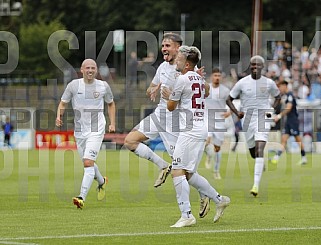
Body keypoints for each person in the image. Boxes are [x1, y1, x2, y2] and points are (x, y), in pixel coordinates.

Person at [167, 45, 230, 228]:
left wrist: (167, 96)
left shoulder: (183, 79)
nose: (176, 61)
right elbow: (207, 92)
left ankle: (186, 215)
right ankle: (219, 199)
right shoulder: (200, 79)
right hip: (199, 128)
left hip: (190, 130)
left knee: (177, 170)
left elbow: (171, 106)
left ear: (187, 64)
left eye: (178, 59)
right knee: (188, 173)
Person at [124, 33, 183, 188]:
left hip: (175, 120)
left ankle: (209, 195)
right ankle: (163, 165)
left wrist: (174, 96)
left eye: (168, 45)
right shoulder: (162, 67)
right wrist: (153, 89)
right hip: (159, 115)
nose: (164, 48)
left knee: (182, 169)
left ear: (178, 47)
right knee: (130, 141)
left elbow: (201, 92)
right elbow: (150, 87)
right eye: (163, 46)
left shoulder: (187, 67)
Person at [55, 58, 116, 209]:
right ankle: (102, 181)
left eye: (93, 68)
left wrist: (112, 122)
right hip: (80, 131)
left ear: (96, 70)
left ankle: (81, 197)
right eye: (87, 68)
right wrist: (59, 116)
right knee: (87, 162)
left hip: (97, 129)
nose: (90, 70)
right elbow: (63, 103)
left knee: (88, 162)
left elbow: (111, 103)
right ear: (81, 70)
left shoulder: (103, 86)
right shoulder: (74, 86)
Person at [226, 55, 281, 197]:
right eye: (253, 65)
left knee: (260, 148)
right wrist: (237, 112)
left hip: (263, 118)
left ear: (263, 67)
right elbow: (229, 99)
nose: (255, 67)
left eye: (258, 65)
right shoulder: (242, 83)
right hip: (247, 120)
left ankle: (255, 185)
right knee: (253, 153)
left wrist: (271, 110)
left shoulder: (269, 83)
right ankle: (260, 162)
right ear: (250, 66)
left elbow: (278, 97)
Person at [204, 68, 231, 179]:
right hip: (207, 119)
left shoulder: (225, 91)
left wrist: (229, 112)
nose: (217, 77)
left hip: (219, 121)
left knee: (217, 148)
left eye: (219, 76)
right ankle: (209, 155)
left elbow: (231, 104)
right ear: (212, 76)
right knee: (205, 141)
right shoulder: (206, 88)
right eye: (215, 75)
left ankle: (216, 170)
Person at [271, 80, 307, 165]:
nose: (279, 89)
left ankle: (304, 157)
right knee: (284, 139)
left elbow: (289, 107)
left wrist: (279, 116)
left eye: (280, 87)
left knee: (297, 139)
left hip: (293, 120)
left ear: (285, 86)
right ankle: (277, 157)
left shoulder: (290, 95)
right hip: (288, 121)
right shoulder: (285, 96)